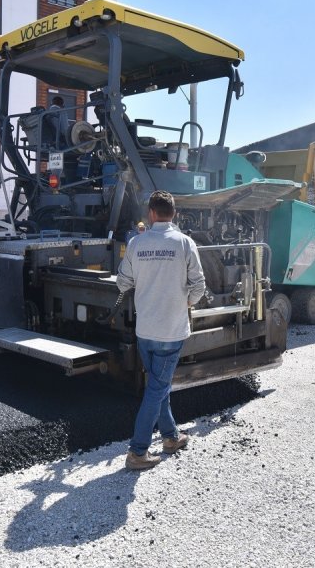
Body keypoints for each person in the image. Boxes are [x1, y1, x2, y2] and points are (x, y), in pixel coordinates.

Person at [116, 190, 206, 471]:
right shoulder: (185, 243)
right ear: (174, 213)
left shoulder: (136, 243)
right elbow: (199, 285)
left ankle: (170, 438)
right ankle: (137, 451)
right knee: (157, 388)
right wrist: (185, 303)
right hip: (171, 330)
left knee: (158, 385)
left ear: (151, 214)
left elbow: (122, 283)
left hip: (146, 330)